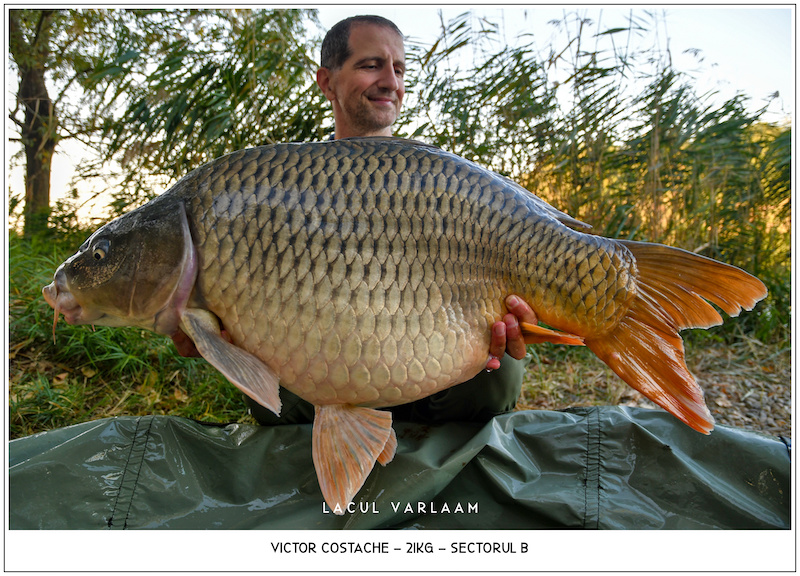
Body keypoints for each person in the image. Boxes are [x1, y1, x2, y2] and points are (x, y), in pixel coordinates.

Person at [245, 15, 539, 425]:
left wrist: (515, 321)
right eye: (371, 65)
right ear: (326, 81)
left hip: (432, 363)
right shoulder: (288, 183)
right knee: (261, 390)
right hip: (322, 363)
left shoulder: (437, 178)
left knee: (500, 368)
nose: (390, 81)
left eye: (398, 68)